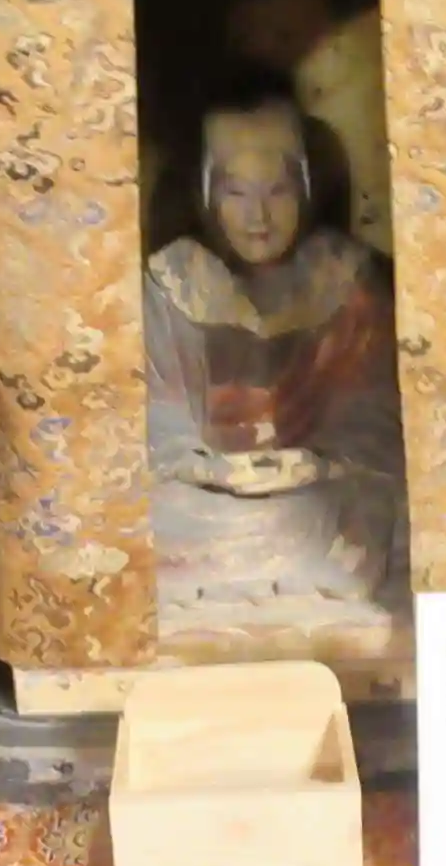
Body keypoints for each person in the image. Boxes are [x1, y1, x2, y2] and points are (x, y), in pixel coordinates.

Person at [142, 75, 407, 608]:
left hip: (319, 495)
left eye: (277, 191)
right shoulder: (173, 282)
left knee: (359, 514)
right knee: (157, 516)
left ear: (305, 189)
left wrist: (317, 463)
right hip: (206, 499)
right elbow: (154, 419)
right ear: (207, 195)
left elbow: (376, 419)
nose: (258, 217)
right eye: (236, 193)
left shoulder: (346, 280)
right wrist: (209, 468)